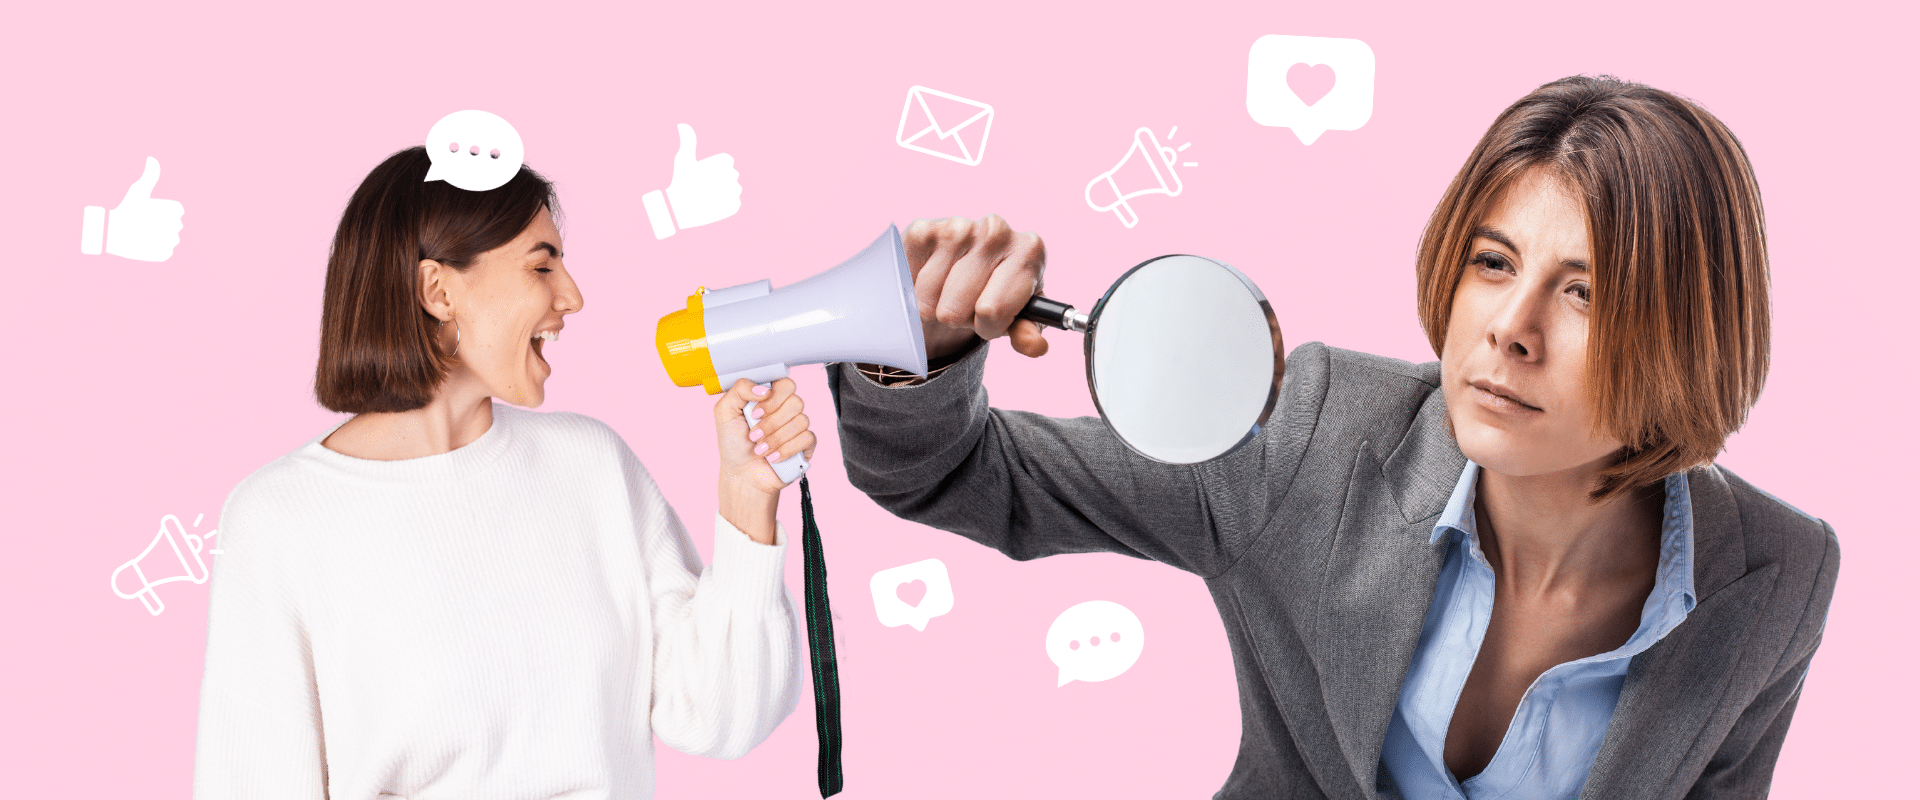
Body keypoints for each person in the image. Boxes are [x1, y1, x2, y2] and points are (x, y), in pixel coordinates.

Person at [829, 75, 1838, 799]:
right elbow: (959, 473)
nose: (1510, 328)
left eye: (1586, 291)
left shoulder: (1778, 575)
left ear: (1690, 328)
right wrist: (918, 347)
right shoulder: (1310, 438)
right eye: (1493, 262)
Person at [193, 147, 815, 799]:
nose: (572, 296)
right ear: (439, 290)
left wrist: (747, 499)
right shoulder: (281, 517)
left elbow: (720, 716)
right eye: (541, 266)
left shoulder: (594, 466)